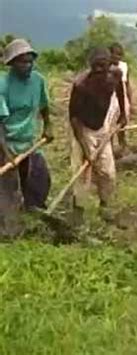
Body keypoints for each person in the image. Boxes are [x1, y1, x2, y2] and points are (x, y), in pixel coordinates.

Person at [0, 39, 54, 236]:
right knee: (7, 188)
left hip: (29, 142)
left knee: (40, 178)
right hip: (6, 141)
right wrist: (7, 154)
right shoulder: (2, 84)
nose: (28, 66)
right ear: (12, 63)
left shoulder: (38, 80)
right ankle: (8, 228)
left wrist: (48, 126)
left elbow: (44, 105)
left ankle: (34, 212)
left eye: (30, 61)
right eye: (23, 62)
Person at [68, 47, 126, 219]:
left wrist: (123, 114)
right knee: (81, 171)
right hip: (82, 128)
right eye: (96, 67)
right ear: (90, 67)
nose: (99, 70)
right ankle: (78, 209)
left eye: (103, 66)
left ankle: (105, 205)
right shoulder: (80, 85)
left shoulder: (115, 75)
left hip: (103, 126)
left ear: (110, 65)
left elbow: (120, 91)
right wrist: (86, 149)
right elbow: (74, 119)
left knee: (108, 172)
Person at [109, 42, 133, 155]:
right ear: (110, 54)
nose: (118, 57)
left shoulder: (124, 66)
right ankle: (109, 146)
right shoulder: (107, 67)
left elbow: (127, 84)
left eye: (120, 55)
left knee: (123, 122)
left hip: (122, 97)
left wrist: (129, 99)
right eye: (115, 54)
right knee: (110, 123)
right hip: (111, 98)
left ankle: (122, 144)